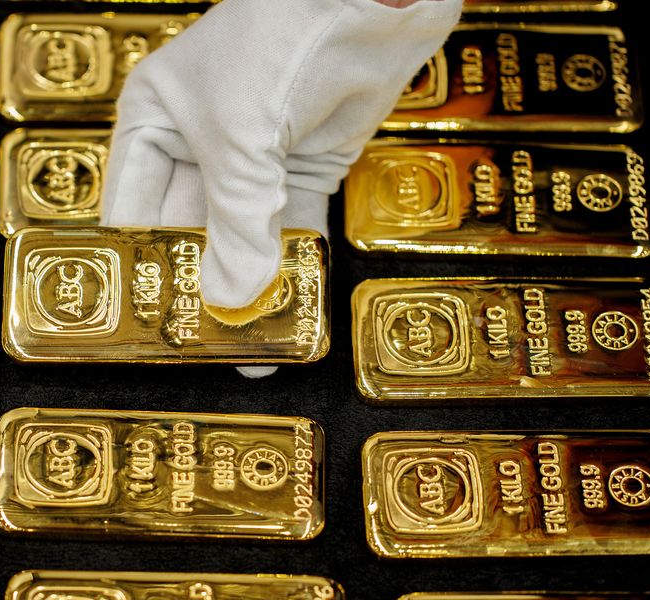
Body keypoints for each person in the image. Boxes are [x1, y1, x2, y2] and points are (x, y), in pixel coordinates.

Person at [100, 0, 462, 377]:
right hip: (168, 124)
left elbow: (344, 110)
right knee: (130, 277)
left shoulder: (429, 15)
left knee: (253, 311)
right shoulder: (292, 30)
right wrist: (241, 278)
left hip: (297, 149)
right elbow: (243, 136)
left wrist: (312, 166)